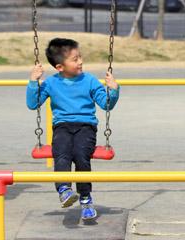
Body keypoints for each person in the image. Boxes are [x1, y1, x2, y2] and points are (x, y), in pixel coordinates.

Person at [26, 38, 120, 220]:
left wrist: (113, 90)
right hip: (61, 127)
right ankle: (64, 189)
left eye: (80, 57)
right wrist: (32, 81)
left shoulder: (90, 80)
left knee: (81, 156)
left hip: (86, 127)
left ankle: (86, 199)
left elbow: (106, 104)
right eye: (75, 59)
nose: (81, 62)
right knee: (61, 154)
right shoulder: (51, 83)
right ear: (60, 67)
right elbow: (33, 103)